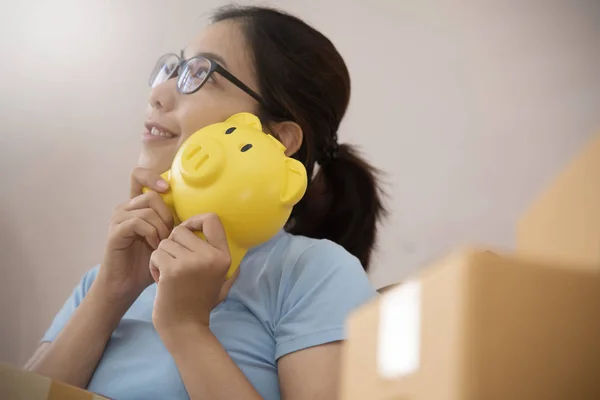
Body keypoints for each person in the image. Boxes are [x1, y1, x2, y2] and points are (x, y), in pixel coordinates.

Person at [25, 5, 386, 400]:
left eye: (200, 74)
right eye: (174, 70)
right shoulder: (103, 279)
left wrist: (186, 329)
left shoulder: (314, 274)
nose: (158, 95)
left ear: (279, 139)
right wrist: (112, 294)